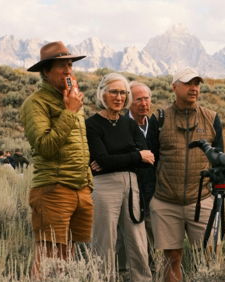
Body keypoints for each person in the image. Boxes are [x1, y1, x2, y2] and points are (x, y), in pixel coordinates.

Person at [20, 41, 93, 278]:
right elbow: (45, 147)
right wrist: (70, 112)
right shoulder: (36, 103)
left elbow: (79, 144)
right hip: (53, 189)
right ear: (46, 71)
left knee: (68, 255)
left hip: (80, 188)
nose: (68, 70)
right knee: (47, 254)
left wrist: (87, 182)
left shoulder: (72, 99)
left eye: (70, 64)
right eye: (62, 66)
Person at [150, 67, 224, 282]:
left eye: (197, 84)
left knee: (211, 258)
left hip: (201, 199)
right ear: (174, 87)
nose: (194, 88)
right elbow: (151, 159)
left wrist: (216, 192)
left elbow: (218, 159)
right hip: (166, 201)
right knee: (171, 259)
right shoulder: (160, 118)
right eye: (188, 83)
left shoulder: (211, 118)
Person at [86, 73, 154, 281]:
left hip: (132, 185)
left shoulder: (129, 124)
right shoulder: (92, 125)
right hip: (104, 186)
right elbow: (104, 160)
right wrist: (135, 156)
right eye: (114, 92)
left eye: (123, 93)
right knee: (104, 240)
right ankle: (102, 278)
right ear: (102, 94)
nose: (119, 97)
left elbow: (148, 156)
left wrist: (120, 159)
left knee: (138, 239)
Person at [117, 81, 159, 274]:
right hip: (128, 193)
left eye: (147, 98)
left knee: (153, 239)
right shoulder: (120, 125)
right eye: (138, 99)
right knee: (126, 240)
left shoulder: (157, 126)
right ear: (129, 102)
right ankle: (124, 273)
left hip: (154, 193)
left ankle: (153, 272)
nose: (144, 103)